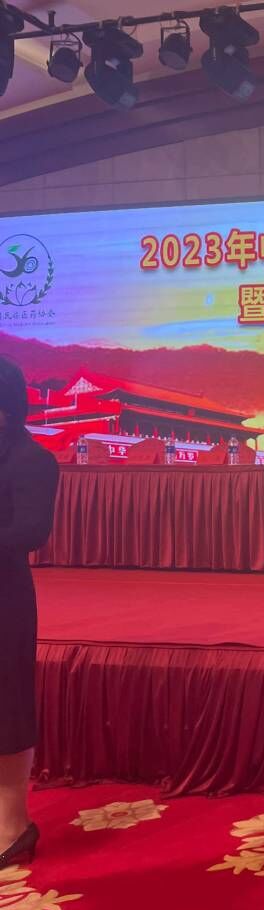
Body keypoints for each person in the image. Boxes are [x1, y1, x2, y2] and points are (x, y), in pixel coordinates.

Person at [0, 356, 59, 868]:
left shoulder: (33, 460)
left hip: (5, 599)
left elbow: (31, 532)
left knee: (8, 707)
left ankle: (12, 827)